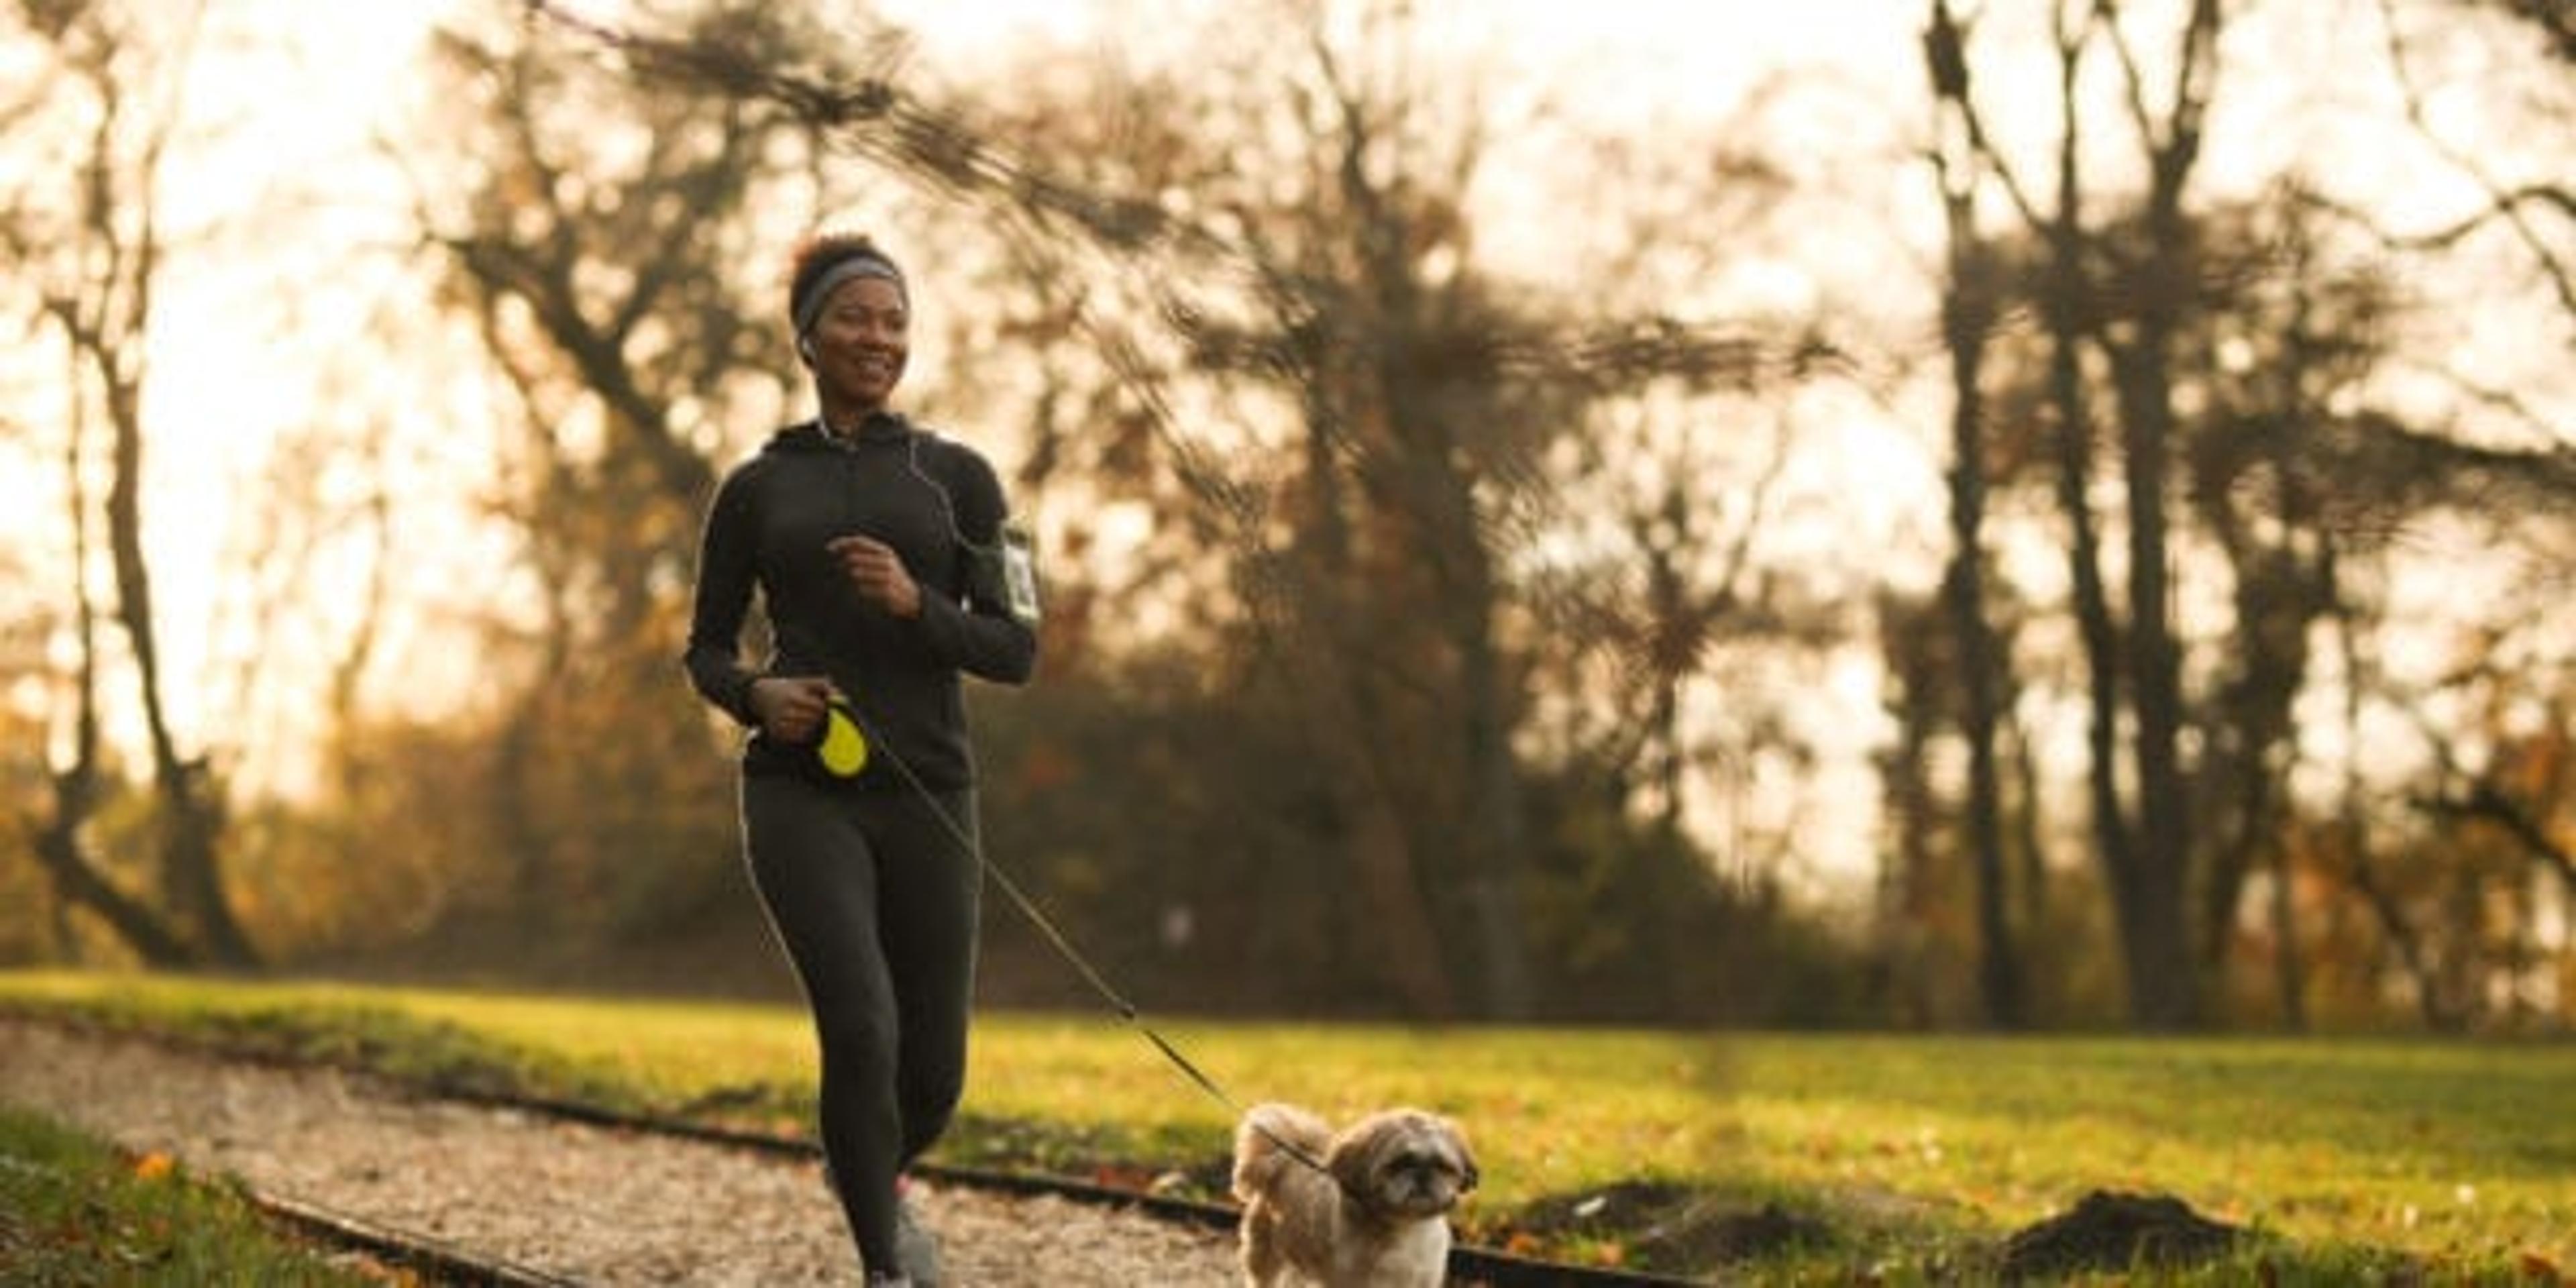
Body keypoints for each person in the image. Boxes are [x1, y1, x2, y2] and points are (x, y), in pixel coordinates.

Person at [684, 231, 1039, 1287]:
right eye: (854, 316)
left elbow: (1017, 647)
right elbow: (703, 647)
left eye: (894, 320)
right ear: (808, 336)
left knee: (934, 1070)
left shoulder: (960, 480)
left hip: (931, 792)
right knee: (863, 1024)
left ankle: (867, 1167)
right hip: (802, 791)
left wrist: (916, 604)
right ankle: (887, 1268)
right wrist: (756, 694)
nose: (877, 337)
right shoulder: (754, 490)